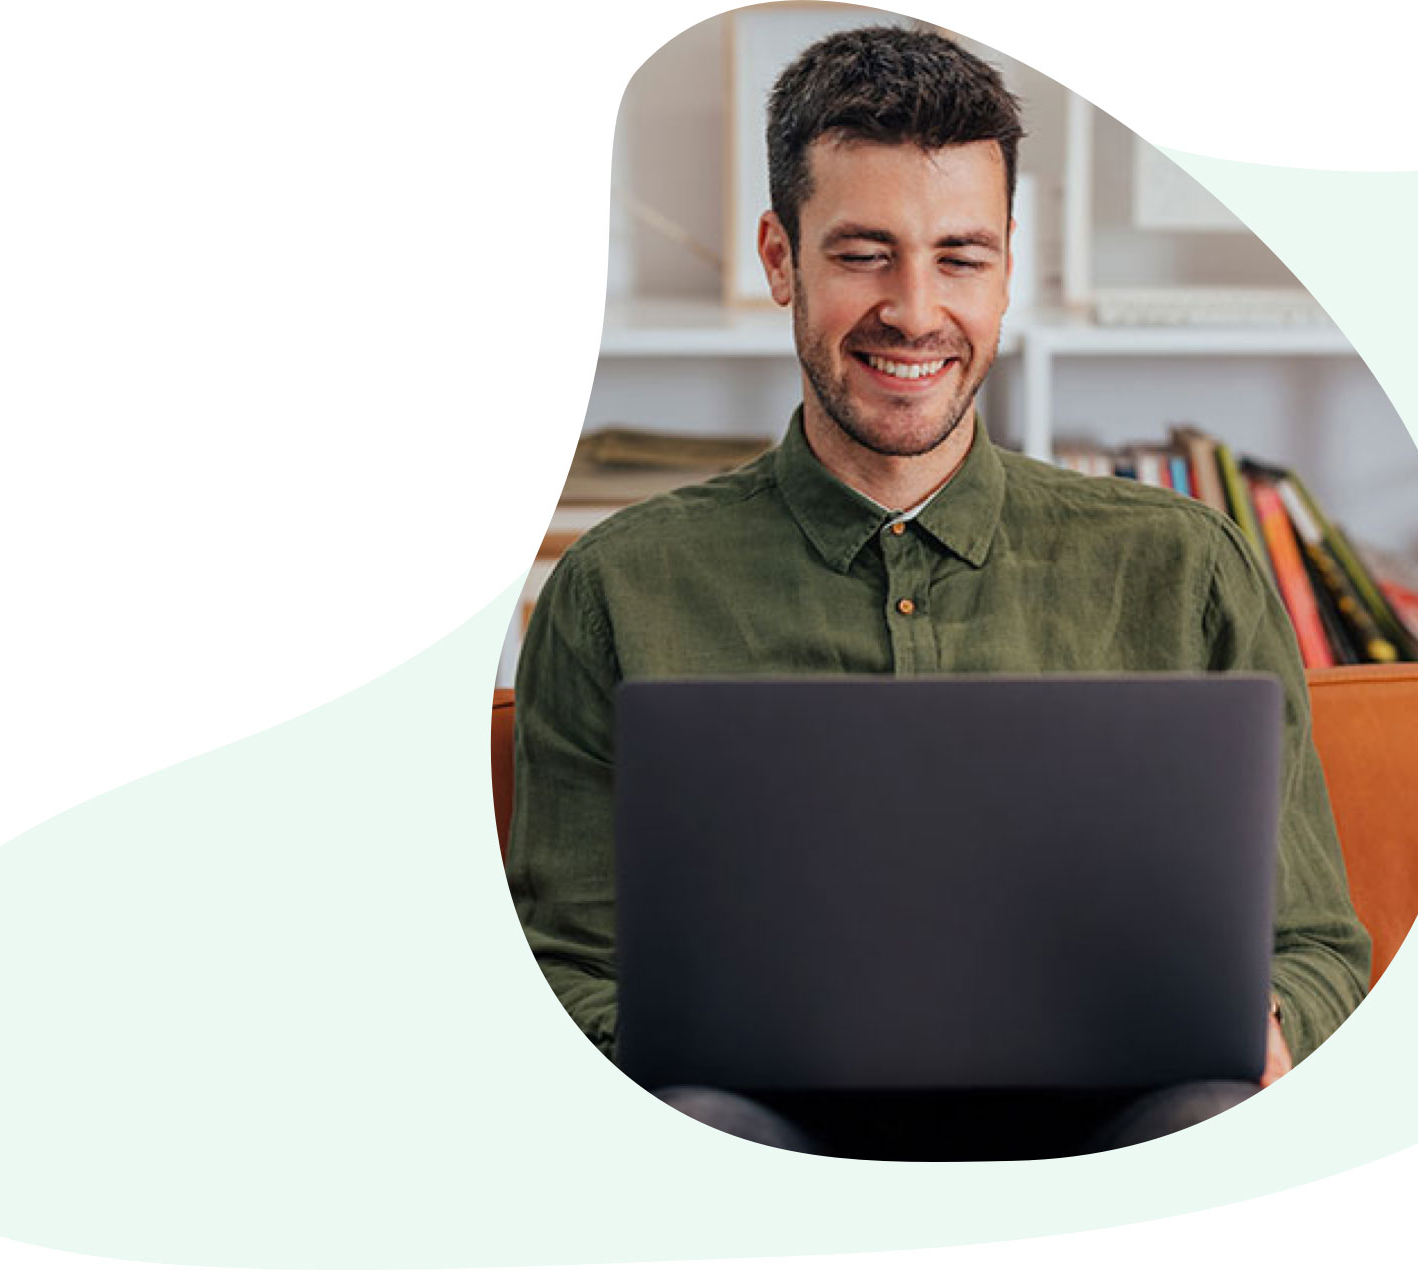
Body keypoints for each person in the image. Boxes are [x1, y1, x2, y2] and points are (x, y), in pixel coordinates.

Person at [507, 23, 1370, 1160]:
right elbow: (567, 966)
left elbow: (1315, 944)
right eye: (864, 252)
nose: (914, 311)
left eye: (959, 257)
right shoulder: (618, 587)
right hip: (758, 1129)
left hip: (1113, 1120)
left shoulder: (1184, 566)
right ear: (781, 258)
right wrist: (672, 1055)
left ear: (1006, 267)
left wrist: (1275, 1029)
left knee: (1216, 1115)